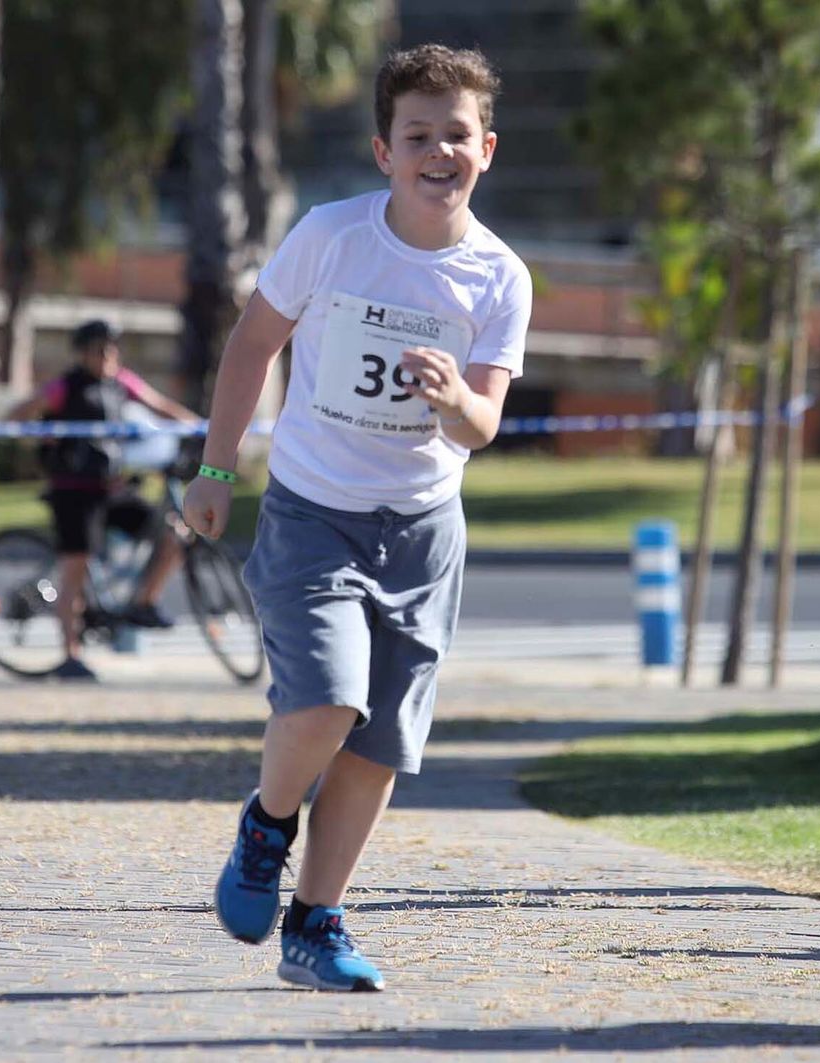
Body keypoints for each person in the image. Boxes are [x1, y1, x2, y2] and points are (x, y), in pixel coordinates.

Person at [182, 44, 531, 991]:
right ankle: (266, 824)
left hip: (422, 530)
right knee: (329, 698)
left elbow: (485, 424)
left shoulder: (500, 278)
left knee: (379, 745)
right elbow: (255, 341)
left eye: (456, 135)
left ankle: (316, 924)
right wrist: (216, 466)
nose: (438, 152)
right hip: (311, 510)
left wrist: (456, 394)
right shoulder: (332, 237)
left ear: (486, 149)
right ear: (384, 150)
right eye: (418, 135)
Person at [6, 320, 201, 681]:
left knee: (176, 531)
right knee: (74, 574)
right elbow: (17, 416)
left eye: (112, 348)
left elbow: (160, 406)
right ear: (83, 353)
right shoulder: (64, 387)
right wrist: (42, 440)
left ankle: (143, 603)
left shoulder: (120, 382)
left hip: (110, 488)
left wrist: (203, 427)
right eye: (99, 348)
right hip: (73, 491)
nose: (108, 355)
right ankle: (70, 655)